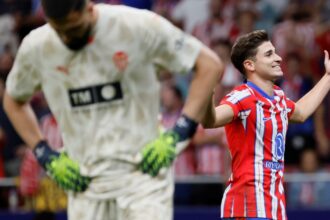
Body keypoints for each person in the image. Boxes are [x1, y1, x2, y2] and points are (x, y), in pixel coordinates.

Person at [3, 0, 223, 220]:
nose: (67, 38)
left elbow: (209, 64)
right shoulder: (39, 46)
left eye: (74, 28)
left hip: (143, 176)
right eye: (60, 32)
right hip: (84, 184)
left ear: (89, 8)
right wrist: (44, 153)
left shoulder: (136, 25)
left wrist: (179, 132)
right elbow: (13, 100)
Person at [201, 30, 330, 219]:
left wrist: (328, 77)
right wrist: (206, 92)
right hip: (246, 206)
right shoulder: (241, 97)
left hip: (275, 206)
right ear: (250, 65)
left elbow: (301, 113)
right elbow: (210, 120)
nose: (278, 58)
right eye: (269, 54)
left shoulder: (278, 97)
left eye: (275, 52)